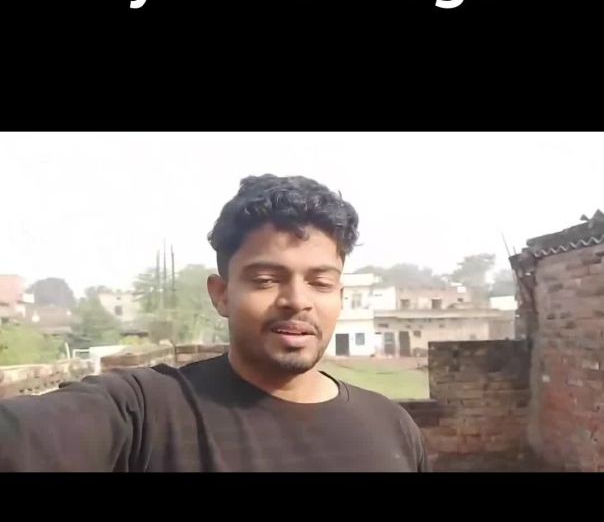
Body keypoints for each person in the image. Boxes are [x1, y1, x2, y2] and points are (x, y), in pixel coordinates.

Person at [0, 175, 429, 472]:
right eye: (266, 280)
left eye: (320, 282)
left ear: (340, 295)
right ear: (221, 294)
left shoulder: (391, 427)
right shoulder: (148, 412)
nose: (297, 301)